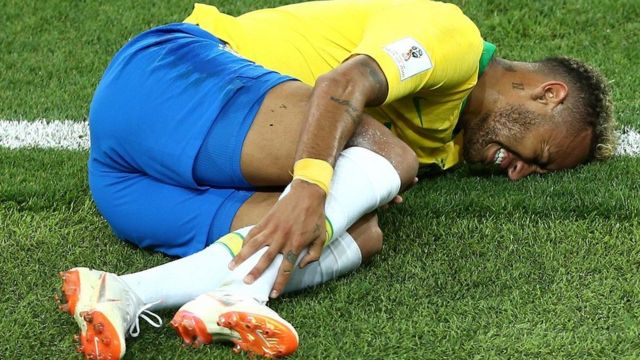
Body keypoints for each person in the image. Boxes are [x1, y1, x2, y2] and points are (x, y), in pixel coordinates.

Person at [59, 0, 615, 358]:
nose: (520, 173)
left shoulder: (447, 145)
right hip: (166, 78)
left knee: (360, 236)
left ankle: (125, 293)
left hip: (127, 182)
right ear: (548, 94)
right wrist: (309, 187)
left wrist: (319, 202)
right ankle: (244, 293)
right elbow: (343, 84)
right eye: (538, 155)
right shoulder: (452, 38)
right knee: (385, 155)